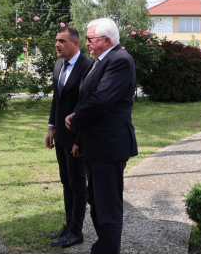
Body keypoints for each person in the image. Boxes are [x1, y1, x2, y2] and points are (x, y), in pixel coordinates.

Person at [65, 18, 138, 254]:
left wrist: (74, 119)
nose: (86, 43)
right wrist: (79, 139)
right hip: (94, 145)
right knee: (96, 201)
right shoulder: (101, 61)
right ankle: (103, 246)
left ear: (105, 40)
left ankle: (108, 250)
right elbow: (87, 97)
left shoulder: (120, 61)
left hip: (109, 146)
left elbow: (102, 101)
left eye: (90, 39)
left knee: (108, 206)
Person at [46, 26, 94, 248]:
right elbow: (57, 99)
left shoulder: (88, 67)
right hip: (60, 137)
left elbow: (86, 105)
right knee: (66, 181)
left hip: (77, 138)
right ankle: (68, 225)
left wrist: (79, 140)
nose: (57, 44)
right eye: (56, 40)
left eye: (62, 41)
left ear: (75, 44)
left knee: (77, 184)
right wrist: (51, 128)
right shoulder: (58, 64)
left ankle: (77, 232)